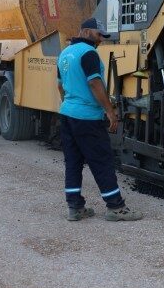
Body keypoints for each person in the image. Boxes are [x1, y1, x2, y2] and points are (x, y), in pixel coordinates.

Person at [57, 17, 142, 222]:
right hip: (87, 117)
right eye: (98, 35)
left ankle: (75, 207)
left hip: (67, 114)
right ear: (86, 32)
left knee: (73, 161)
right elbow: (95, 83)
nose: (100, 40)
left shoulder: (65, 53)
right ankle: (116, 207)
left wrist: (69, 105)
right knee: (102, 160)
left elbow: (60, 85)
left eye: (103, 36)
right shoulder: (89, 53)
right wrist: (110, 111)